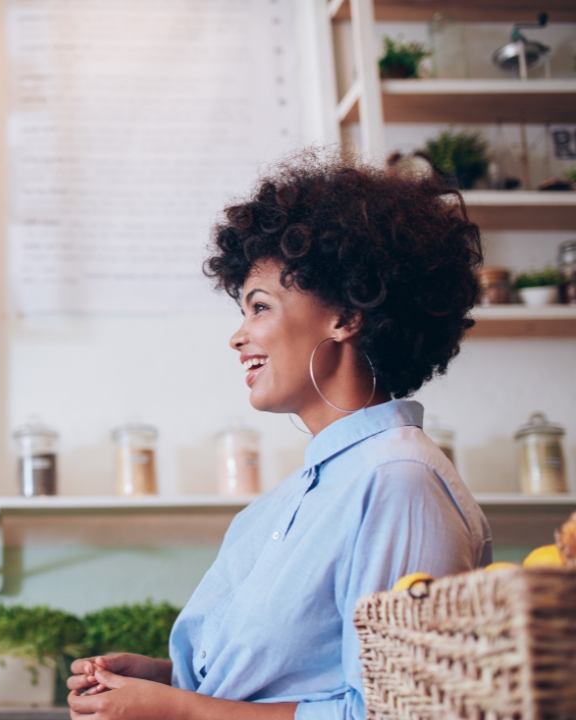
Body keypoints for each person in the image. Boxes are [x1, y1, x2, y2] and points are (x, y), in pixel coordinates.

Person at [67, 156, 492, 720]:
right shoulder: (293, 499)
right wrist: (169, 679)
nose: (238, 337)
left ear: (345, 315)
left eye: (259, 306)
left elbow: (398, 712)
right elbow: (299, 677)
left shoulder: (398, 483)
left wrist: (182, 711)